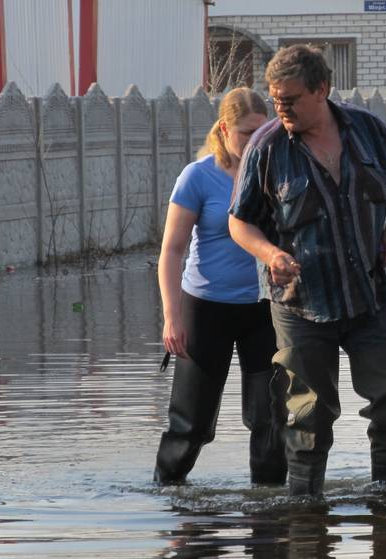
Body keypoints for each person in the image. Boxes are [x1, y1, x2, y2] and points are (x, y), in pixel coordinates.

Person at [228, 44, 386, 497]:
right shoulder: (267, 147)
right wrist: (270, 254)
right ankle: (305, 507)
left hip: (370, 294)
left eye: (290, 99)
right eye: (275, 100)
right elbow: (239, 222)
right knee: (308, 415)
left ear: (321, 90)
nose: (281, 109)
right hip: (301, 304)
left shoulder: (367, 130)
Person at [154, 87, 286, 486]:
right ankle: (169, 496)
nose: (255, 141)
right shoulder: (198, 177)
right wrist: (172, 317)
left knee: (270, 419)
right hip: (205, 308)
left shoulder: (276, 173)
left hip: (263, 309)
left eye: (262, 132)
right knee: (191, 423)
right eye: (246, 133)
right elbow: (171, 251)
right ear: (225, 130)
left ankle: (269, 504)